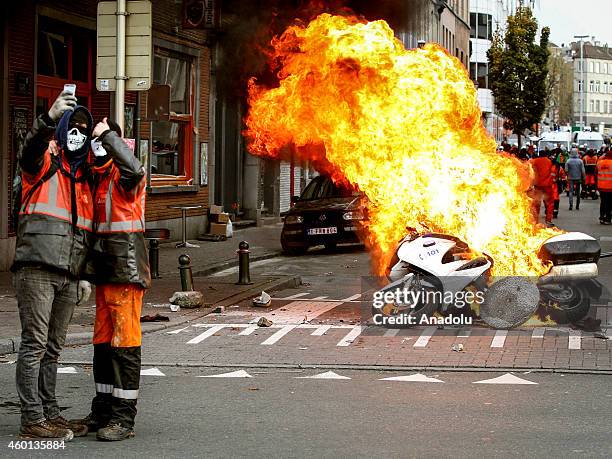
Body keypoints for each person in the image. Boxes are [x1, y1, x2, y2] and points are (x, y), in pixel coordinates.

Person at [12, 91, 94, 440]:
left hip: (68, 274)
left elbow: (85, 233)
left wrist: (84, 276)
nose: (77, 134)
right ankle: (32, 418)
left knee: (53, 347)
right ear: (60, 132)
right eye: (71, 127)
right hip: (37, 268)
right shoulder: (43, 163)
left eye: (83, 130)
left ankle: (49, 412)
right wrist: (47, 119)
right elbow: (27, 150)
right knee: (35, 344)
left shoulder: (84, 179)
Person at [78, 118, 150, 441]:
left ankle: (123, 418)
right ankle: (104, 408)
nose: (99, 146)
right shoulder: (100, 178)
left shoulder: (124, 177)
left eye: (104, 142)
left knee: (124, 343)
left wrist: (106, 134)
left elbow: (136, 169)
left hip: (126, 270)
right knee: (103, 343)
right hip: (106, 273)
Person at [529, 150, 555, 226]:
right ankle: (548, 220)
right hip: (547, 185)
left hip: (537, 185)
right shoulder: (549, 161)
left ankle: (536, 220)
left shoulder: (534, 161)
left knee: (537, 203)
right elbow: (552, 172)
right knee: (549, 203)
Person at [597, 150, 612, 224]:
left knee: (603, 202)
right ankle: (608, 218)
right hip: (610, 187)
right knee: (609, 203)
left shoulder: (599, 163)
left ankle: (602, 217)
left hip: (601, 186)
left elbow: (595, 173)